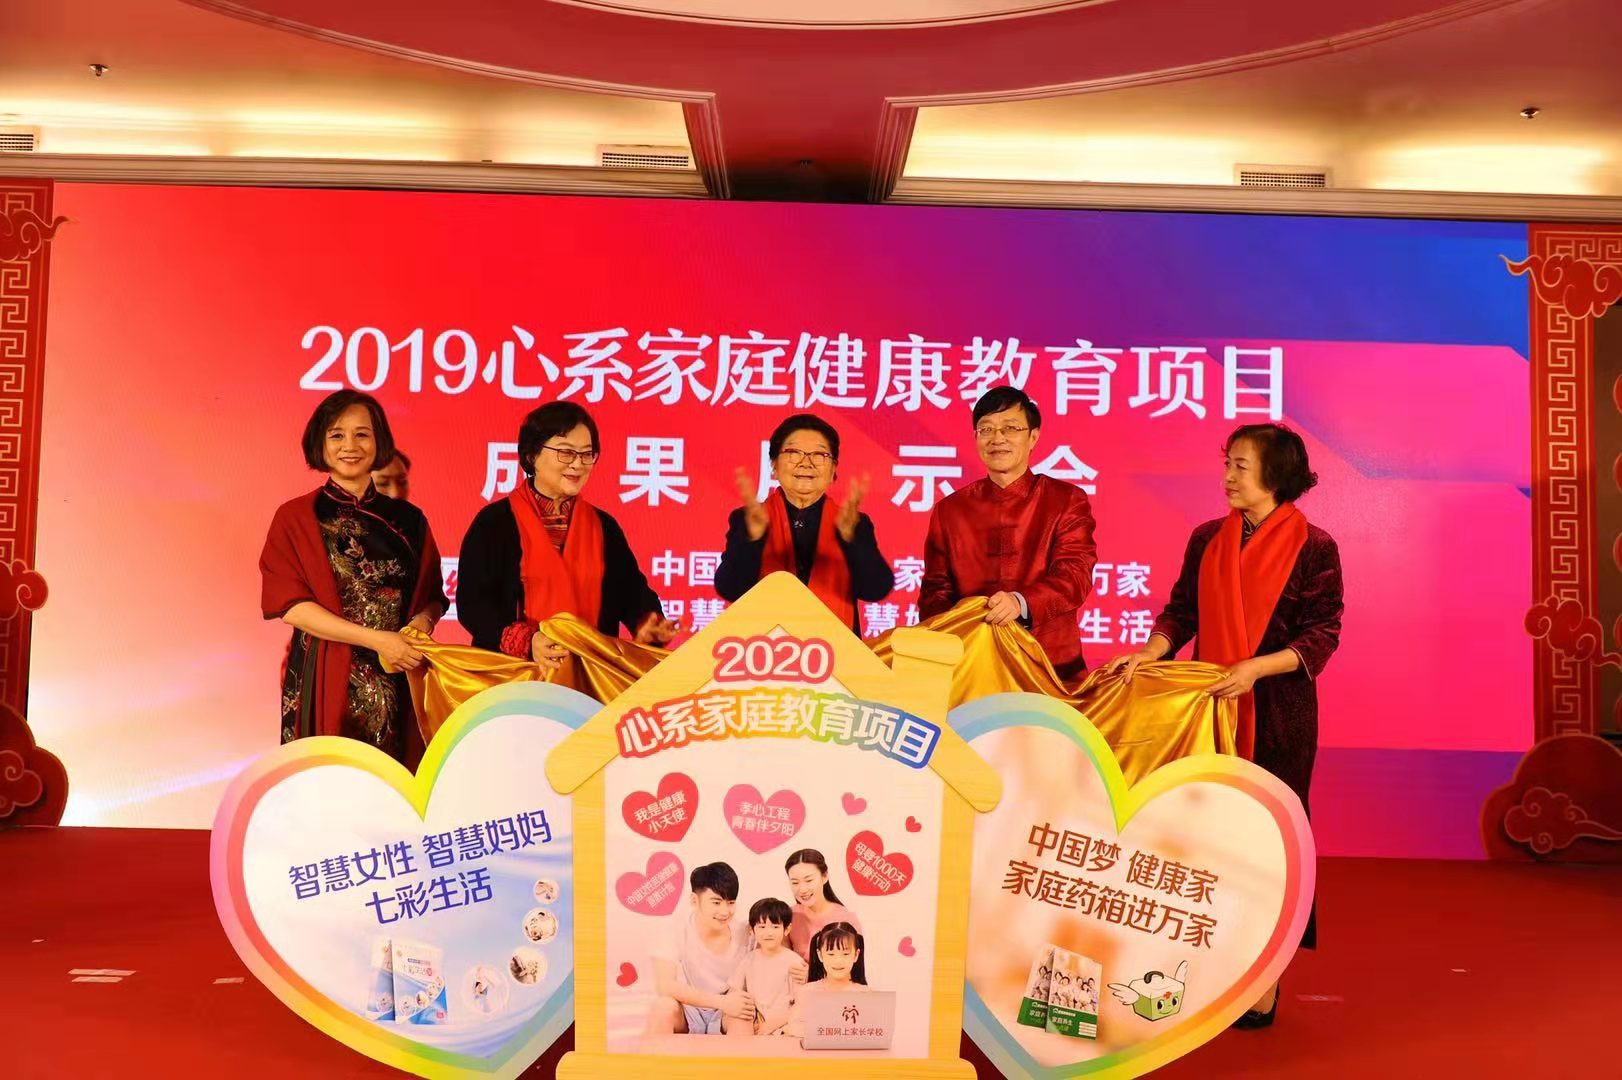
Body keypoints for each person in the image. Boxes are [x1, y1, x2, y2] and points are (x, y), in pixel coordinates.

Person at [1106, 421, 1343, 1027]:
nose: (1229, 476)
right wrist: (1152, 651)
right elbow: (1182, 611)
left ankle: (1265, 978)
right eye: (1228, 463)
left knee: (1269, 843)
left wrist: (1255, 669)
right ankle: (1206, 967)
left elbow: (1322, 633)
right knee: (1204, 839)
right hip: (1208, 708)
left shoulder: (1315, 547)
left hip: (1277, 716)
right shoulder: (1207, 537)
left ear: (1276, 474)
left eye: (1241, 465)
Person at [260, 390, 446, 764]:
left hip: (398, 671)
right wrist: (377, 640)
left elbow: (432, 595)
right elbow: (292, 607)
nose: (350, 445)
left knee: (396, 781)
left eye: (362, 434)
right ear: (320, 443)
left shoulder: (410, 520)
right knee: (325, 781)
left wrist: (422, 623)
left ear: (380, 442)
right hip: (325, 671)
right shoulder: (296, 517)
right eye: (337, 435)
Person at [457, 402, 678, 671]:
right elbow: (473, 605)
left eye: (587, 454)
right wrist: (529, 641)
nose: (578, 464)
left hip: (590, 677)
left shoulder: (604, 527)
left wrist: (648, 624)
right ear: (532, 455)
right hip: (511, 678)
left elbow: (632, 593)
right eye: (566, 453)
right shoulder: (494, 523)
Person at [920, 386, 1098, 680]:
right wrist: (954, 631)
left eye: (1011, 428)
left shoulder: (1066, 500)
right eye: (986, 429)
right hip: (971, 666)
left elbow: (1074, 575)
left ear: (1033, 436)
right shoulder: (949, 510)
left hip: (1050, 666)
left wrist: (1021, 602)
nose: (997, 438)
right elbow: (935, 593)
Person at [715, 414, 893, 632]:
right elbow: (730, 588)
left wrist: (850, 541)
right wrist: (754, 541)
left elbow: (876, 589)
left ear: (833, 470)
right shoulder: (748, 520)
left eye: (819, 454)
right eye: (793, 452)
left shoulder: (854, 523)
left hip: (837, 649)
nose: (806, 462)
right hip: (763, 647)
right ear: (774, 465)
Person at [646, 862, 755, 1037]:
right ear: (694, 900)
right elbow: (664, 985)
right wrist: (721, 1002)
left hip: (728, 1011)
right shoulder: (675, 929)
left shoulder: (746, 932)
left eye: (731, 903)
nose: (725, 911)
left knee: (744, 1017)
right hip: (690, 1008)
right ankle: (658, 1057)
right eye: (716, 902)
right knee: (662, 1008)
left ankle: (735, 1056)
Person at [724, 898, 804, 1036]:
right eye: (762, 927)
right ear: (751, 930)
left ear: (787, 929)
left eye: (775, 927)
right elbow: (734, 991)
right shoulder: (749, 959)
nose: (768, 932)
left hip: (783, 1022)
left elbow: (800, 1003)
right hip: (756, 1020)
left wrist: (770, 1025)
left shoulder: (794, 962)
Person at [783, 922, 867, 1039]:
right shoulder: (807, 992)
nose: (838, 961)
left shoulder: (866, 994)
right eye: (831, 954)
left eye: (845, 954)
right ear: (820, 955)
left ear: (856, 955)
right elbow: (792, 1027)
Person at [783, 848, 862, 964]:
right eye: (795, 882)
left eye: (809, 880)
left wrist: (810, 973)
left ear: (824, 876)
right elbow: (781, 960)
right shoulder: (788, 916)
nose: (802, 889)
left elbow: (853, 968)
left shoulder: (846, 918)